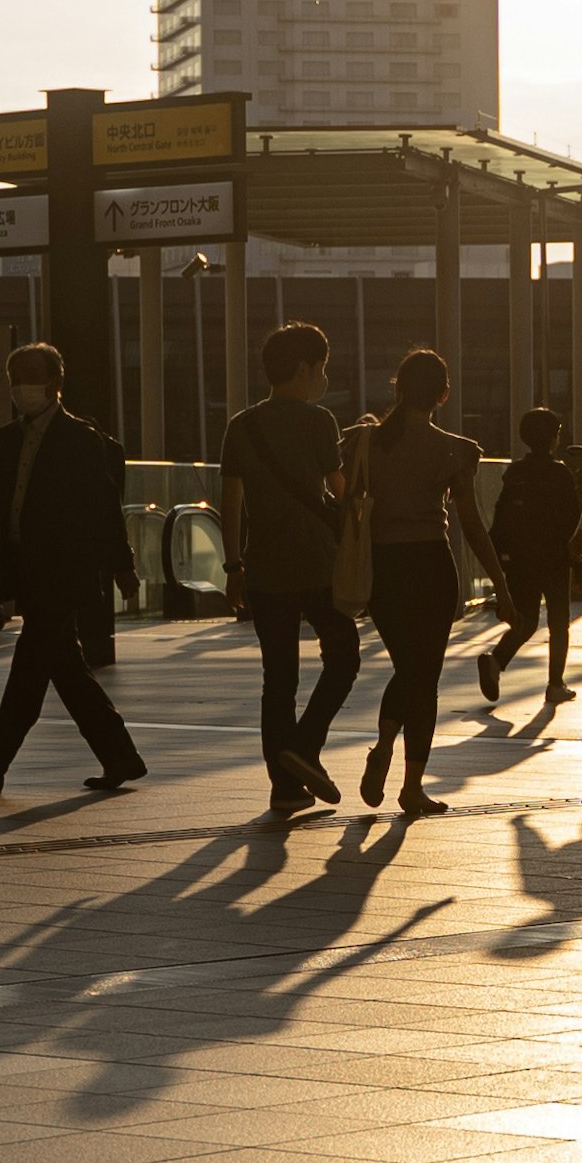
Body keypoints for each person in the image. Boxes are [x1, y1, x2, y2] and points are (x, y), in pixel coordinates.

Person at [0, 340, 146, 801]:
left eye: (31, 376)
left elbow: (104, 507)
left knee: (30, 664)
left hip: (65, 571)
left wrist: (122, 565)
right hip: (27, 568)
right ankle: (120, 755)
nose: (22, 387)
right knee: (66, 669)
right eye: (15, 378)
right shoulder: (8, 438)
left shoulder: (81, 439)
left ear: (56, 383)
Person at [220, 318, 361, 807]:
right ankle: (304, 746)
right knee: (343, 657)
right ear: (304, 369)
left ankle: (284, 787)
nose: (323, 378)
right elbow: (342, 494)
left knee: (278, 678)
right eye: (321, 368)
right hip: (320, 565)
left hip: (263, 569)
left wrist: (233, 565)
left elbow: (230, 501)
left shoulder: (241, 426)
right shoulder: (320, 422)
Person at [351, 348, 491, 812]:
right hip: (432, 567)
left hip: (385, 568)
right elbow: (471, 524)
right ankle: (410, 784)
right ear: (443, 395)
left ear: (397, 388)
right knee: (422, 676)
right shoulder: (455, 449)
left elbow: (343, 501)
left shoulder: (365, 442)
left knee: (408, 668)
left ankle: (385, 748)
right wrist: (502, 585)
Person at [475, 401, 582, 722]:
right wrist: (578, 569)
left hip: (520, 559)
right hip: (554, 559)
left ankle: (497, 660)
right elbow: (571, 523)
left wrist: (501, 558)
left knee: (527, 618)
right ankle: (555, 682)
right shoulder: (561, 474)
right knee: (559, 623)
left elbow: (503, 516)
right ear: (553, 438)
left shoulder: (516, 472)